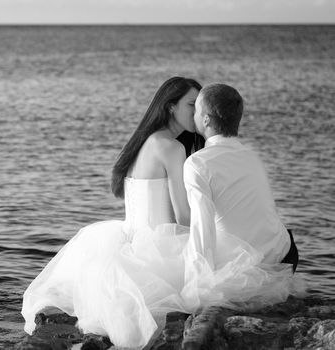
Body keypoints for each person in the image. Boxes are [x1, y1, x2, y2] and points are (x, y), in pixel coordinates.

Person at [21, 76, 204, 349]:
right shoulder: (172, 147)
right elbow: (184, 218)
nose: (198, 113)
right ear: (170, 107)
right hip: (157, 248)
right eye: (192, 105)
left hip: (131, 242)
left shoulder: (144, 142)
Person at [180, 83, 302, 310]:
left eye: (195, 109)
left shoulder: (197, 164)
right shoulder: (251, 155)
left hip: (246, 270)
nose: (192, 114)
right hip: (285, 256)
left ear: (206, 119)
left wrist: (196, 287)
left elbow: (201, 228)